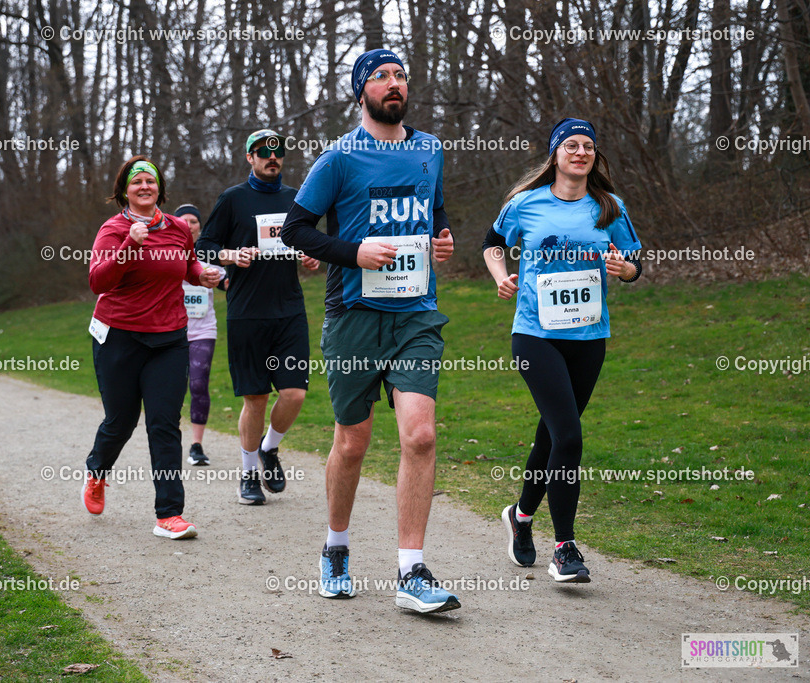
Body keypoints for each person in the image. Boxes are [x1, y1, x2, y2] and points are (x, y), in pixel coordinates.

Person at [280, 49, 460, 614]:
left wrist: (443, 237)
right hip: (354, 316)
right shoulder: (338, 158)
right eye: (381, 77)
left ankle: (411, 571)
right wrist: (353, 252)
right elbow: (295, 230)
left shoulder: (429, 149)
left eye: (400, 75)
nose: (394, 84)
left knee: (421, 436)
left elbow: (432, 211)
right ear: (362, 92)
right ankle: (335, 547)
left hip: (415, 316)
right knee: (353, 442)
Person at [482, 117, 643, 583]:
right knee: (569, 437)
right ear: (555, 155)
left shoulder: (610, 207)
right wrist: (502, 277)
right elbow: (494, 244)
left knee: (552, 436)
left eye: (588, 146)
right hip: (535, 335)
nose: (580, 152)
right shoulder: (524, 204)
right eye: (570, 145)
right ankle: (565, 547)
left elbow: (635, 260)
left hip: (590, 338)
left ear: (595, 156)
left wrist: (624, 270)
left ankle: (521, 516)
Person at [82, 156, 221, 540]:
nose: (145, 186)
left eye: (151, 181)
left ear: (160, 188)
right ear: (124, 190)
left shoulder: (178, 228)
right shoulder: (113, 229)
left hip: (169, 339)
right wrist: (130, 244)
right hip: (120, 338)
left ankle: (169, 515)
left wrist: (202, 275)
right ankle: (97, 471)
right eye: (137, 181)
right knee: (121, 421)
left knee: (164, 424)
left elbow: (187, 266)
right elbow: (98, 281)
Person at [195, 129, 320, 505]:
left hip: (289, 311)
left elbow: (310, 240)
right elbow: (204, 246)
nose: (272, 157)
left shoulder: (296, 198)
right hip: (247, 312)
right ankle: (248, 473)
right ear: (249, 157)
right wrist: (231, 256)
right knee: (255, 399)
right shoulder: (233, 199)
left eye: (278, 151)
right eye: (263, 152)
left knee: (295, 393)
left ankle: (269, 449)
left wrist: (312, 256)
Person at [175, 203, 227, 466]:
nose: (189, 224)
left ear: (199, 226)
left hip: (203, 330)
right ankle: (169, 440)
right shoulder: (167, 252)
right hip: (171, 331)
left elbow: (229, 281)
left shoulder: (209, 254)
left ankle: (196, 445)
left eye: (194, 221)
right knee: (171, 389)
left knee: (198, 384)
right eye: (183, 220)